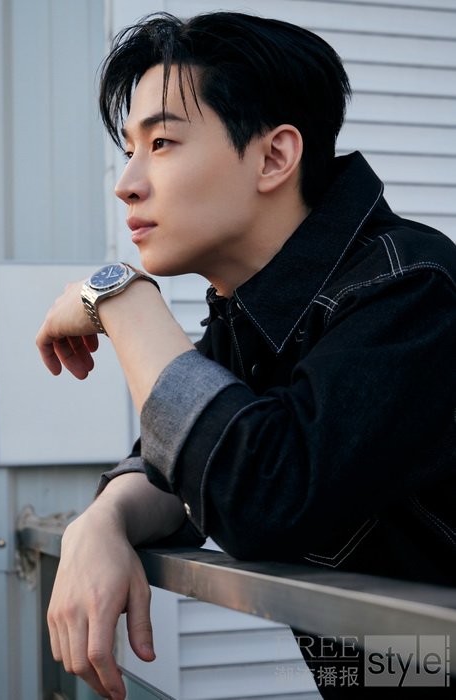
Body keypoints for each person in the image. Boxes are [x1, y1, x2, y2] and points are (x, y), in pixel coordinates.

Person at [35, 11, 456, 700]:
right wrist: (101, 522)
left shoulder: (410, 289)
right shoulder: (254, 308)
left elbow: (263, 493)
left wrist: (122, 297)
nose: (127, 182)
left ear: (273, 158)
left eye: (162, 142)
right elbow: (177, 468)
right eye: (129, 148)